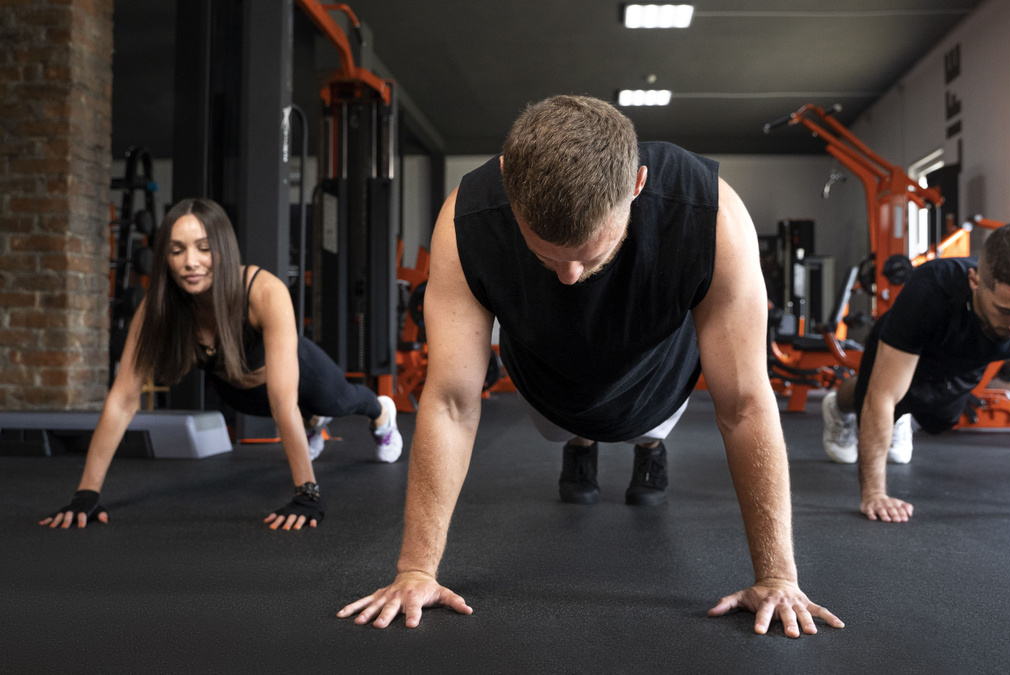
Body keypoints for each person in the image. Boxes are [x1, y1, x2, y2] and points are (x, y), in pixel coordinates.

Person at [337, 95, 843, 638]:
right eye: (548, 256)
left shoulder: (711, 217)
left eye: (590, 256)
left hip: (655, 383)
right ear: (510, 188)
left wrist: (778, 576)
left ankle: (649, 447)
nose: (570, 278)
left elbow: (744, 404)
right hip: (547, 383)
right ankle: (580, 444)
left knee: (648, 427)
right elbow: (451, 402)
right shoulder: (468, 220)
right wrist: (415, 569)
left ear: (638, 186)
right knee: (566, 429)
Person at [39, 198, 403, 532]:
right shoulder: (158, 308)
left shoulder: (263, 291)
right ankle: (311, 424)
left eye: (203, 248)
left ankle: (380, 415)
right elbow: (122, 400)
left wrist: (307, 492)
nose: (190, 262)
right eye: (177, 250)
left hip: (297, 372)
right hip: (240, 391)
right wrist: (86, 493)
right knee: (273, 406)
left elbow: (281, 400)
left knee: (338, 402)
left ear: (223, 249)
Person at [821, 223, 1010, 524]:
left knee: (941, 421)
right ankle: (837, 405)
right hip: (909, 346)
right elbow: (883, 394)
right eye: (1007, 311)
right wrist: (875, 494)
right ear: (974, 281)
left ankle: (901, 414)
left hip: (965, 360)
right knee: (879, 394)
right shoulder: (931, 287)